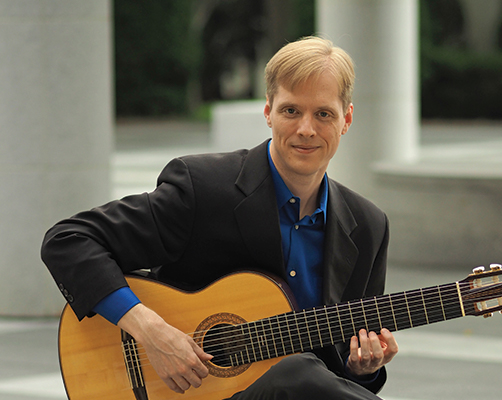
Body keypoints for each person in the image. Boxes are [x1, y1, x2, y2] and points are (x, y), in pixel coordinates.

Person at [41, 36, 398, 399]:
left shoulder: (367, 226)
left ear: (346, 119)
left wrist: (362, 369)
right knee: (297, 373)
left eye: (323, 114)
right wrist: (150, 330)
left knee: (300, 372)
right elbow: (68, 240)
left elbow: (341, 376)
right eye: (291, 111)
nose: (306, 129)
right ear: (268, 111)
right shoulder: (204, 188)